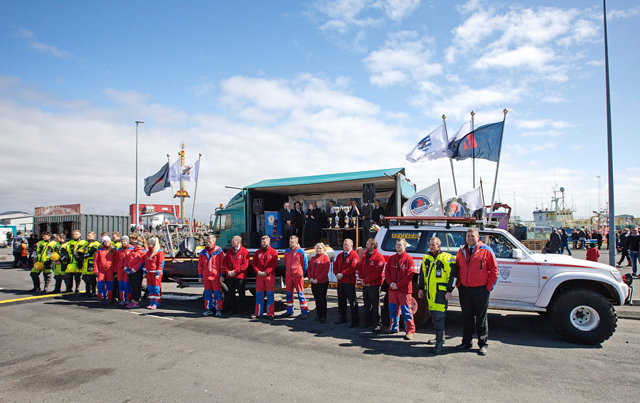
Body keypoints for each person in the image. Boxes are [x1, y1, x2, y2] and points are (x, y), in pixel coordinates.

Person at [455, 228, 498, 356]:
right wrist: (459, 284)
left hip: (481, 290)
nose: (470, 238)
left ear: (478, 237)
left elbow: (494, 270)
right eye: (468, 236)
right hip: (465, 289)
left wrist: (489, 287)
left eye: (472, 236)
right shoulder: (461, 251)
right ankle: (466, 342)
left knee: (481, 318)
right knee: (467, 317)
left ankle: (483, 344)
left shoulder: (486, 251)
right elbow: (456, 268)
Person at [417, 237, 457, 354]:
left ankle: (439, 345)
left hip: (441, 292)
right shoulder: (427, 258)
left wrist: (449, 290)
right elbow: (422, 274)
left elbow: (453, 275)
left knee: (439, 316)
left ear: (439, 246)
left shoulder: (447, 257)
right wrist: (421, 288)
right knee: (433, 315)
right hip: (430, 292)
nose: (431, 246)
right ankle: (440, 338)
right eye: (430, 244)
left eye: (433, 244)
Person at [382, 238, 415, 340]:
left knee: (406, 311)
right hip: (392, 289)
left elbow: (410, 275)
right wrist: (390, 283)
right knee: (392, 310)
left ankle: (409, 331)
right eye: (396, 244)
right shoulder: (392, 259)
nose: (398, 246)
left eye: (400, 245)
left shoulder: (409, 259)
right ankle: (393, 327)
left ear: (405, 246)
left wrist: (398, 284)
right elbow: (386, 272)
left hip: (404, 290)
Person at [358, 238, 385, 331]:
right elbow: (361, 268)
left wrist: (366, 281)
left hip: (374, 285)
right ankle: (367, 321)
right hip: (365, 284)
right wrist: (361, 279)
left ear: (373, 246)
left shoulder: (379, 257)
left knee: (375, 304)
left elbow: (377, 272)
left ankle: (377, 323)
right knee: (366, 304)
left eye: (368, 244)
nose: (366, 245)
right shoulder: (365, 256)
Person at [333, 238, 360, 327]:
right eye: (344, 244)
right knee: (341, 300)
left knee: (352, 302)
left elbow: (353, 267)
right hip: (340, 282)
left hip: (349, 282)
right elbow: (335, 265)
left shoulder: (354, 255)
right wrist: (336, 273)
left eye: (347, 244)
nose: (345, 246)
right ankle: (342, 317)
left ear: (351, 245)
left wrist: (342, 274)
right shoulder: (340, 255)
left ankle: (355, 320)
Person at [198, 235, 225, 317]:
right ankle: (208, 309)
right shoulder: (203, 253)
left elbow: (222, 265)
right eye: (207, 241)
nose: (208, 243)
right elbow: (200, 266)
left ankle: (218, 309)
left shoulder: (219, 252)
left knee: (217, 294)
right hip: (206, 276)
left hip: (215, 276)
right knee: (207, 294)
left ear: (214, 242)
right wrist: (200, 276)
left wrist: (222, 275)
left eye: (210, 241)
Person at [223, 235, 250, 315]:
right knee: (231, 293)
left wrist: (235, 271)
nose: (231, 243)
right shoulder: (229, 251)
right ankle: (233, 310)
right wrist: (227, 271)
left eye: (233, 241)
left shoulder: (244, 252)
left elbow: (245, 265)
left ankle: (243, 310)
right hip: (230, 276)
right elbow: (225, 263)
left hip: (239, 276)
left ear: (238, 242)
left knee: (241, 294)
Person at [253, 235, 278, 319]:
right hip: (259, 276)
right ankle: (258, 313)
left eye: (265, 242)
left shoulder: (273, 252)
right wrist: (258, 272)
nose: (263, 243)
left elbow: (273, 265)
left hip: (270, 276)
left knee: (270, 295)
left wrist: (266, 272)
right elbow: (254, 264)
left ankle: (270, 313)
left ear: (268, 242)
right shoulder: (258, 252)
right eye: (262, 242)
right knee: (259, 295)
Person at [283, 235, 309, 319]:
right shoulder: (287, 251)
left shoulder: (301, 251)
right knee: (289, 293)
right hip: (288, 275)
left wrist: (301, 273)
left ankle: (304, 311)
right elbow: (286, 263)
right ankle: (289, 310)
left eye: (292, 242)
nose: (290, 243)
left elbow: (305, 264)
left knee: (300, 293)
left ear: (296, 242)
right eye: (290, 242)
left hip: (297, 275)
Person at [308, 242, 330, 323]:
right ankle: (318, 315)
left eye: (320, 248)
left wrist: (317, 279)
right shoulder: (313, 258)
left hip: (322, 282)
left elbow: (325, 271)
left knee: (322, 299)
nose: (318, 250)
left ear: (323, 249)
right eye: (317, 248)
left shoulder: (325, 258)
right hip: (313, 282)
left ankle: (323, 316)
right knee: (316, 299)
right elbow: (309, 269)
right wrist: (310, 278)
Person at [126, 235, 147, 309]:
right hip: (131, 271)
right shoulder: (132, 251)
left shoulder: (143, 252)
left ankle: (136, 301)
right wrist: (127, 269)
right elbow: (128, 260)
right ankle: (133, 300)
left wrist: (133, 270)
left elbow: (141, 263)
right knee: (133, 287)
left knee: (137, 287)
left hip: (137, 272)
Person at [94, 236, 117, 304]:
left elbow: (116, 261)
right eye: (105, 242)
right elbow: (96, 261)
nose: (106, 243)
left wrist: (115, 270)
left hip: (110, 270)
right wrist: (96, 270)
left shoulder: (113, 250)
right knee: (100, 285)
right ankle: (101, 298)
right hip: (101, 270)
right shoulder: (100, 250)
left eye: (108, 242)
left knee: (109, 285)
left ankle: (108, 298)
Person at [144, 237, 164, 309]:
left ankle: (157, 302)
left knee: (156, 288)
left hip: (155, 273)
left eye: (149, 243)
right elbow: (146, 262)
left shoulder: (159, 252)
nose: (148, 245)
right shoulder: (148, 252)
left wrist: (158, 273)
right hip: (149, 272)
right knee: (150, 287)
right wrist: (145, 271)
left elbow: (160, 263)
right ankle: (152, 302)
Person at [81, 232, 100, 297]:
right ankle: (87, 291)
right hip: (85, 263)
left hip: (91, 262)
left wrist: (84, 256)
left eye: (89, 236)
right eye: (87, 235)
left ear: (93, 236)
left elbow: (91, 253)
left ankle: (94, 291)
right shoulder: (86, 243)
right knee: (85, 278)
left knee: (91, 278)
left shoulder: (96, 244)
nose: (87, 237)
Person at [115, 235, 133, 305]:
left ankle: (128, 298)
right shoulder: (119, 250)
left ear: (127, 241)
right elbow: (116, 260)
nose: (123, 243)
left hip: (127, 269)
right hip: (120, 269)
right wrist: (115, 270)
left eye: (124, 241)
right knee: (121, 284)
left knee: (127, 284)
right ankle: (122, 299)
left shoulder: (131, 249)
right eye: (122, 241)